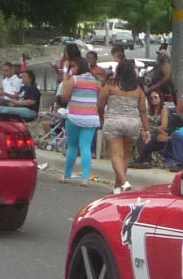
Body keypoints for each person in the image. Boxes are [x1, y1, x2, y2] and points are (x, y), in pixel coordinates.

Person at [100, 55, 149, 194]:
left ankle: (125, 181)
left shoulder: (111, 85)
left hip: (114, 121)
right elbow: (143, 111)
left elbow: (100, 104)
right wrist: (146, 129)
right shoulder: (138, 89)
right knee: (125, 156)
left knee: (116, 156)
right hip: (133, 123)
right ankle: (117, 187)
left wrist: (101, 118)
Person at [58, 45, 103, 183]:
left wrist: (65, 76)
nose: (72, 69)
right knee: (86, 147)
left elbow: (64, 96)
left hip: (75, 116)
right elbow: (100, 101)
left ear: (77, 67)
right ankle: (85, 178)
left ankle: (67, 176)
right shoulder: (97, 82)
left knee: (72, 146)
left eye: (73, 67)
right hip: (91, 118)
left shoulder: (75, 79)